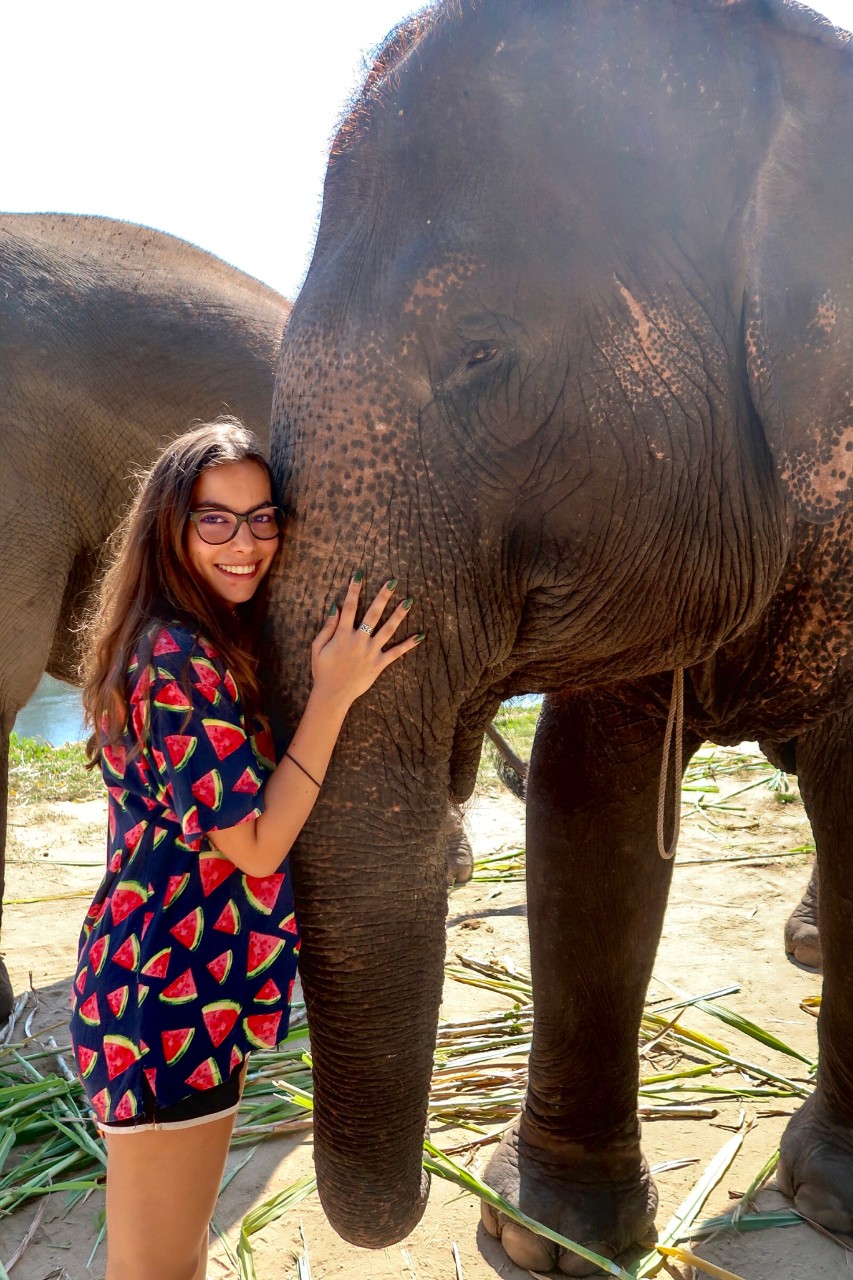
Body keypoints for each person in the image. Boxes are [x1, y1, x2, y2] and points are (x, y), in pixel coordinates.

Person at [69, 418, 422, 1280]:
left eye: (262, 518)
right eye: (215, 519)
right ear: (171, 527)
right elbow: (256, 846)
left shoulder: (188, 642)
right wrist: (335, 694)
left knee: (177, 1258)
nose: (246, 541)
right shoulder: (173, 657)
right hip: (163, 999)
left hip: (179, 983)